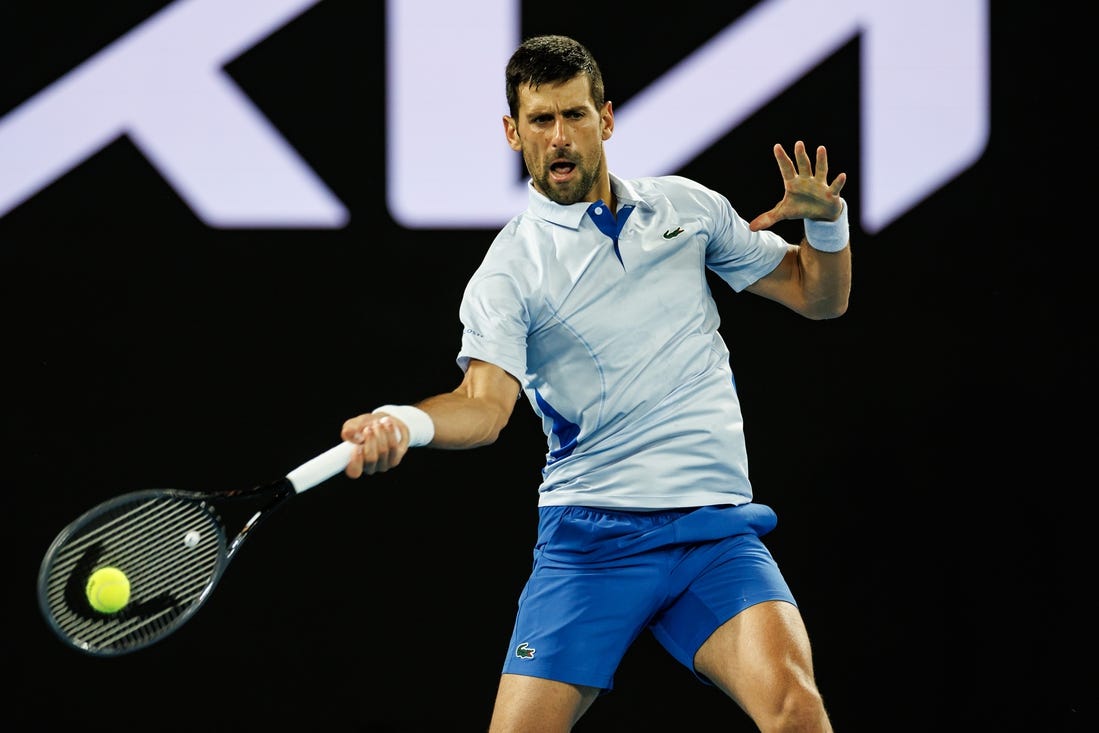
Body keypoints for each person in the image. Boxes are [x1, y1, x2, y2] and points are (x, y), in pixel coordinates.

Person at [341, 34, 849, 732]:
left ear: (605, 119)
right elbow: (483, 408)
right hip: (591, 541)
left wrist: (828, 228)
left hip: (713, 532)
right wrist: (407, 420)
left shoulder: (686, 209)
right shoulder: (510, 269)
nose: (559, 137)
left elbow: (817, 296)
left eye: (574, 116)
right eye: (540, 120)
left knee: (797, 711)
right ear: (512, 132)